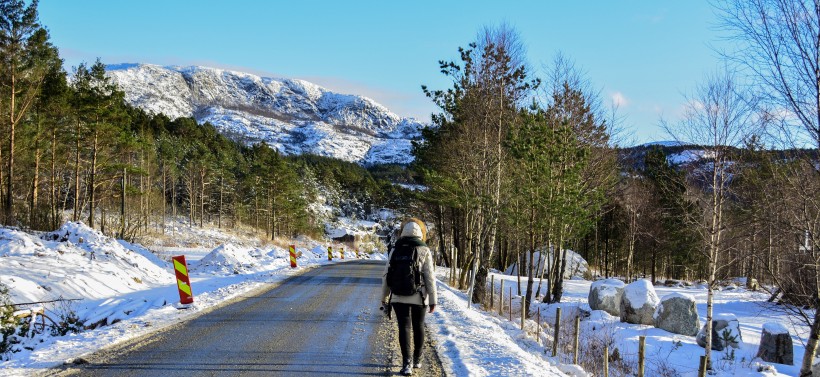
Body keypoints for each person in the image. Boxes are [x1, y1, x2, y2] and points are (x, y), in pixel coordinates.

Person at [381, 218, 437, 376]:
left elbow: (386, 275)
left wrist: (384, 297)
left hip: (398, 295)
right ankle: (418, 359)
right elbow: (430, 277)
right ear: (420, 233)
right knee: (418, 326)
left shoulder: (395, 248)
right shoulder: (424, 249)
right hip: (419, 296)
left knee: (404, 328)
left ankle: (407, 364)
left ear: (403, 232)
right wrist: (433, 299)